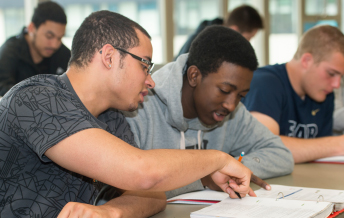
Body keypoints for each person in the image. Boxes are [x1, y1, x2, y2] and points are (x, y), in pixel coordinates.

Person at [0, 11, 255, 218]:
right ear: (109, 56)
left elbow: (153, 195)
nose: (151, 81)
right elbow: (142, 172)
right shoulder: (37, 99)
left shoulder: (111, 118)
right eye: (145, 64)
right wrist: (218, 160)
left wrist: (110, 212)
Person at [117, 25, 293, 200]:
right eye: (224, 90)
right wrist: (203, 177)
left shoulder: (232, 113)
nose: (231, 105)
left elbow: (281, 155)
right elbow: (124, 185)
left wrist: (231, 168)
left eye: (241, 95)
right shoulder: (139, 105)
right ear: (194, 76)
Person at [242, 25, 344, 163]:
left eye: (341, 77)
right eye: (331, 73)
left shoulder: (324, 94)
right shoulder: (265, 84)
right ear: (306, 60)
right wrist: (340, 144)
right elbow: (263, 149)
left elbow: (320, 154)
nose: (336, 84)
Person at [0, 1, 70, 96]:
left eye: (59, 38)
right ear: (32, 28)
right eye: (49, 36)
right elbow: (3, 89)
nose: (55, 45)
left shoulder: (64, 54)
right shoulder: (9, 52)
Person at [175, 4, 264, 59]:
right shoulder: (199, 43)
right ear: (235, 30)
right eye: (248, 38)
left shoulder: (226, 45)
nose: (248, 42)